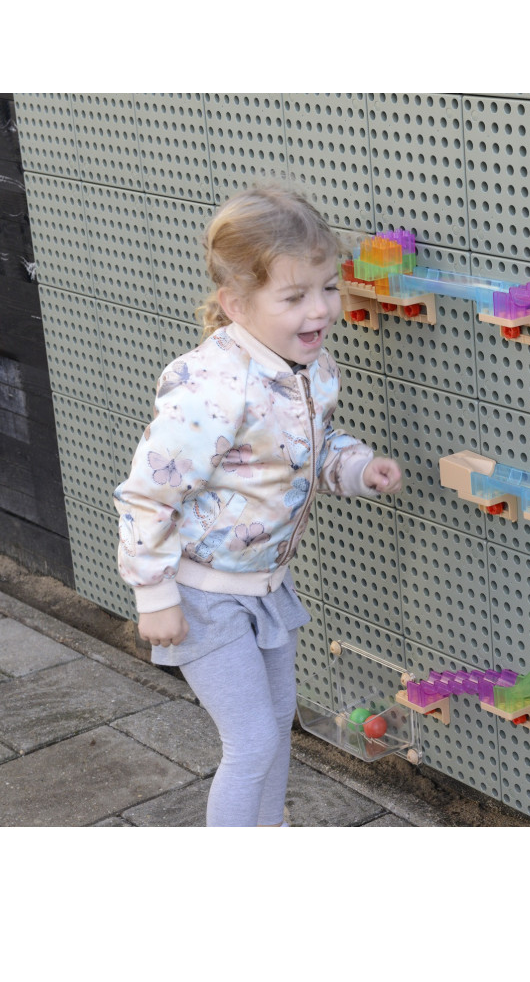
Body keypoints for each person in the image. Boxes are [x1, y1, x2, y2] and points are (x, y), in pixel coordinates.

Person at [113, 185, 402, 827]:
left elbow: (308, 446)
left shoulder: (311, 369)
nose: (320, 308)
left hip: (266, 585)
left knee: (275, 726)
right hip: (202, 594)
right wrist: (154, 594)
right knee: (251, 743)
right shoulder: (213, 389)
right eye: (294, 297)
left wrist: (356, 467)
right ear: (236, 303)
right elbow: (147, 492)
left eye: (328, 287)